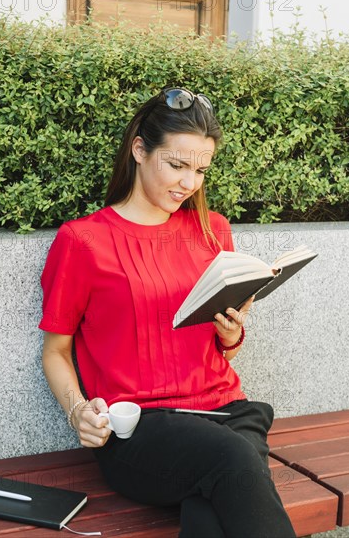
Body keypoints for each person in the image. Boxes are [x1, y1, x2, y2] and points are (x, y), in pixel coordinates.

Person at [39, 87, 297, 538]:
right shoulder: (83, 242)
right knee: (232, 461)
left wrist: (231, 335)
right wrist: (77, 410)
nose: (188, 183)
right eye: (176, 165)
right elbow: (56, 351)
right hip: (140, 427)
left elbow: (223, 353)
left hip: (228, 411)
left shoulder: (212, 229)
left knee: (211, 507)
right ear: (139, 148)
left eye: (200, 170)